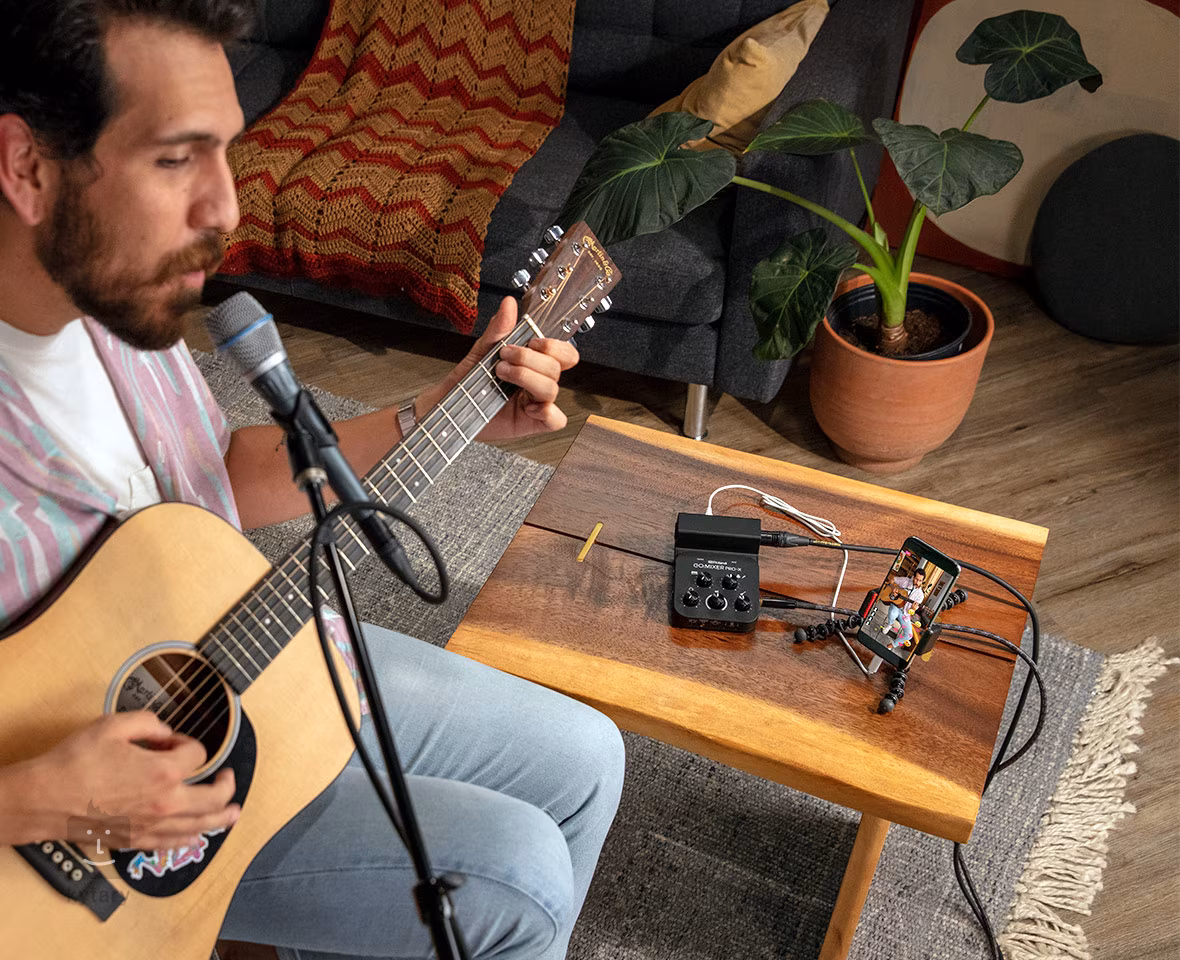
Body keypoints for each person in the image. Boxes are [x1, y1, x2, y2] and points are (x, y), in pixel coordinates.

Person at [0, 3, 625, 959]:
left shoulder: (114, 302)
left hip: (235, 660)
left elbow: (214, 474)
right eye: (175, 159)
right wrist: (36, 796)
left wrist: (442, 407)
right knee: (520, 874)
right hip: (78, 851)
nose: (227, 209)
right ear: (27, 167)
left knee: (588, 758)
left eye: (226, 151)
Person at [882, 568, 925, 638]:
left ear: (922, 581)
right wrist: (893, 587)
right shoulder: (905, 581)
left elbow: (913, 610)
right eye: (916, 579)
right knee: (893, 613)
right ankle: (890, 624)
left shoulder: (920, 595)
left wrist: (913, 609)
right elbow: (892, 579)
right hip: (896, 606)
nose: (917, 582)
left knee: (909, 636)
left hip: (905, 615)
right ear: (913, 577)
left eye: (920, 580)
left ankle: (893, 643)